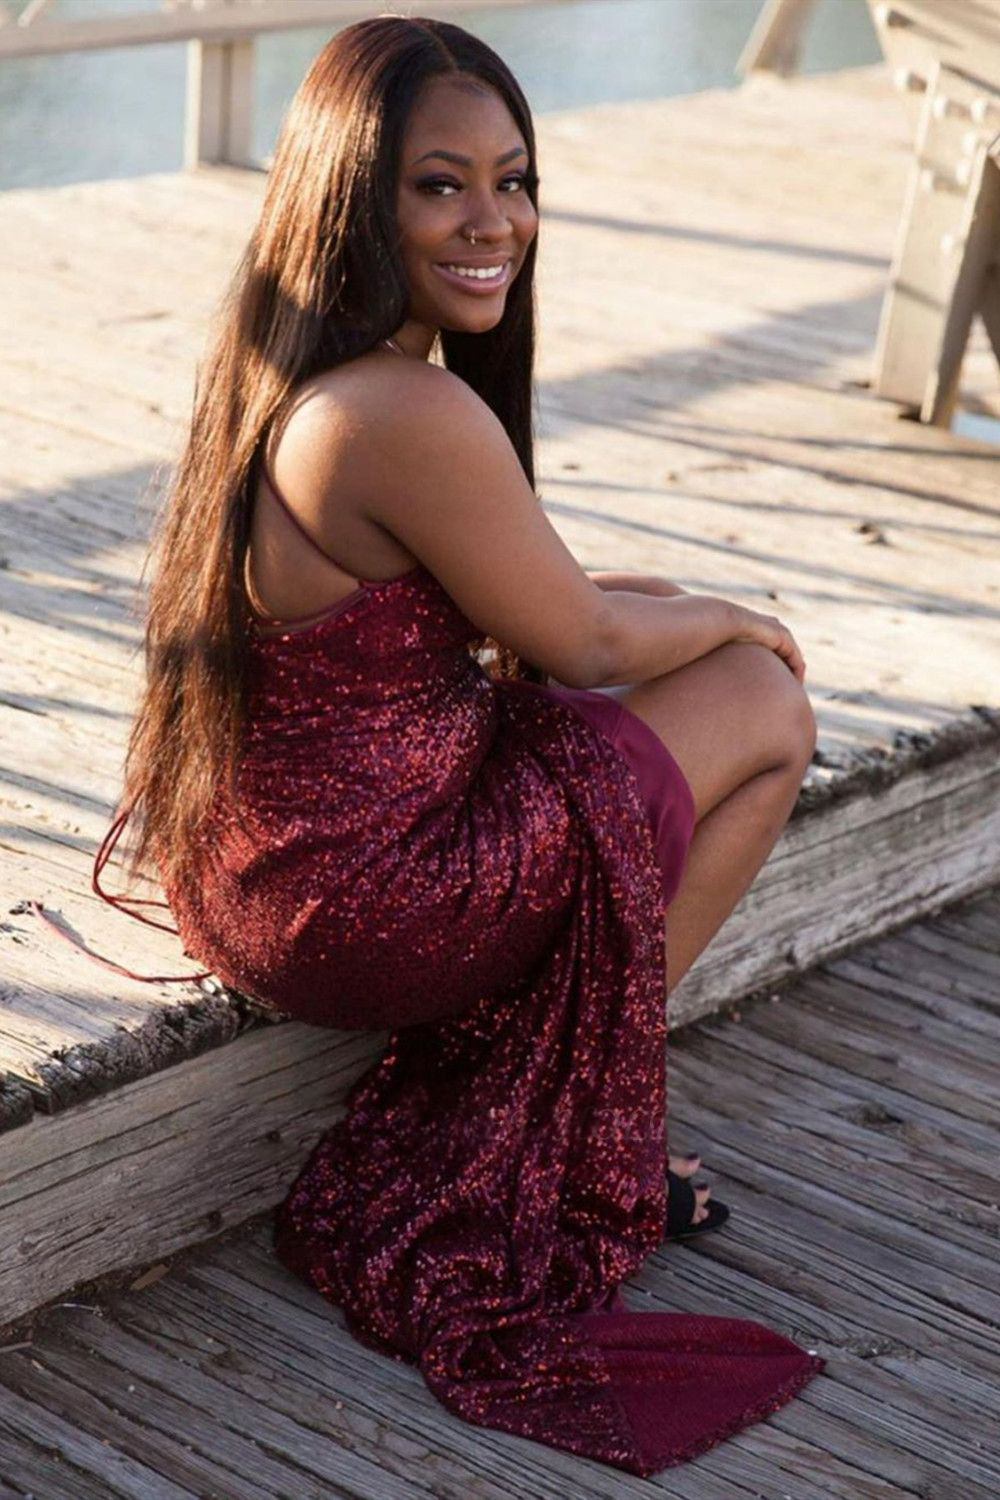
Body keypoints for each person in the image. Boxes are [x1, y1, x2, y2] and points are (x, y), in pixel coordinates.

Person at [73, 13, 824, 1478]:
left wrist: (664, 608)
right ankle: (555, 1123)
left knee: (679, 654)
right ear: (355, 199)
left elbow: (529, 606)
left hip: (270, 863)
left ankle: (557, 1090)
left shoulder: (306, 375)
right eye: (441, 185)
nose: (496, 223)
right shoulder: (404, 408)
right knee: (765, 705)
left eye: (514, 180)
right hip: (370, 898)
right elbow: (584, 647)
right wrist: (744, 616)